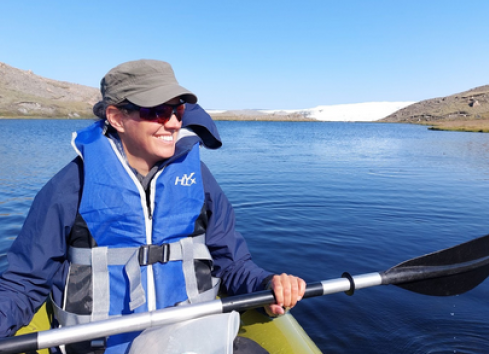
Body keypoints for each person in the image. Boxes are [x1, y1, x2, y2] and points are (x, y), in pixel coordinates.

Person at [0, 59, 306, 354]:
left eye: (178, 110)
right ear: (117, 118)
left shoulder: (199, 179)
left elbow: (232, 263)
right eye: (157, 111)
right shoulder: (70, 186)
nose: (172, 123)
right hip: (101, 347)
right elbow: (24, 281)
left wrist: (267, 284)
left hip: (191, 342)